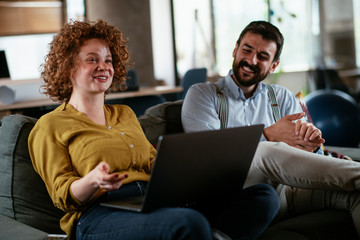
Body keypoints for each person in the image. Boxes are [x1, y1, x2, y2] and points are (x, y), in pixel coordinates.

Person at [28, 19, 280, 240]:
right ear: (68, 66)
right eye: (92, 59)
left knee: (264, 197)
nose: (103, 66)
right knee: (187, 223)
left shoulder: (124, 114)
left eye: (108, 60)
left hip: (151, 202)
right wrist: (92, 181)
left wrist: (180, 165)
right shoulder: (50, 125)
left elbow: (151, 162)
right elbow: (61, 193)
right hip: (98, 214)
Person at [182, 20, 360, 237]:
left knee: (355, 194)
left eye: (263, 57)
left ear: (274, 65)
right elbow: (209, 155)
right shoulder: (203, 94)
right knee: (265, 150)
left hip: (291, 191)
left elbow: (313, 159)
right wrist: (267, 135)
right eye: (246, 50)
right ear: (235, 49)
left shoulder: (281, 96)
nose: (251, 60)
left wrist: (311, 146)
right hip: (240, 197)